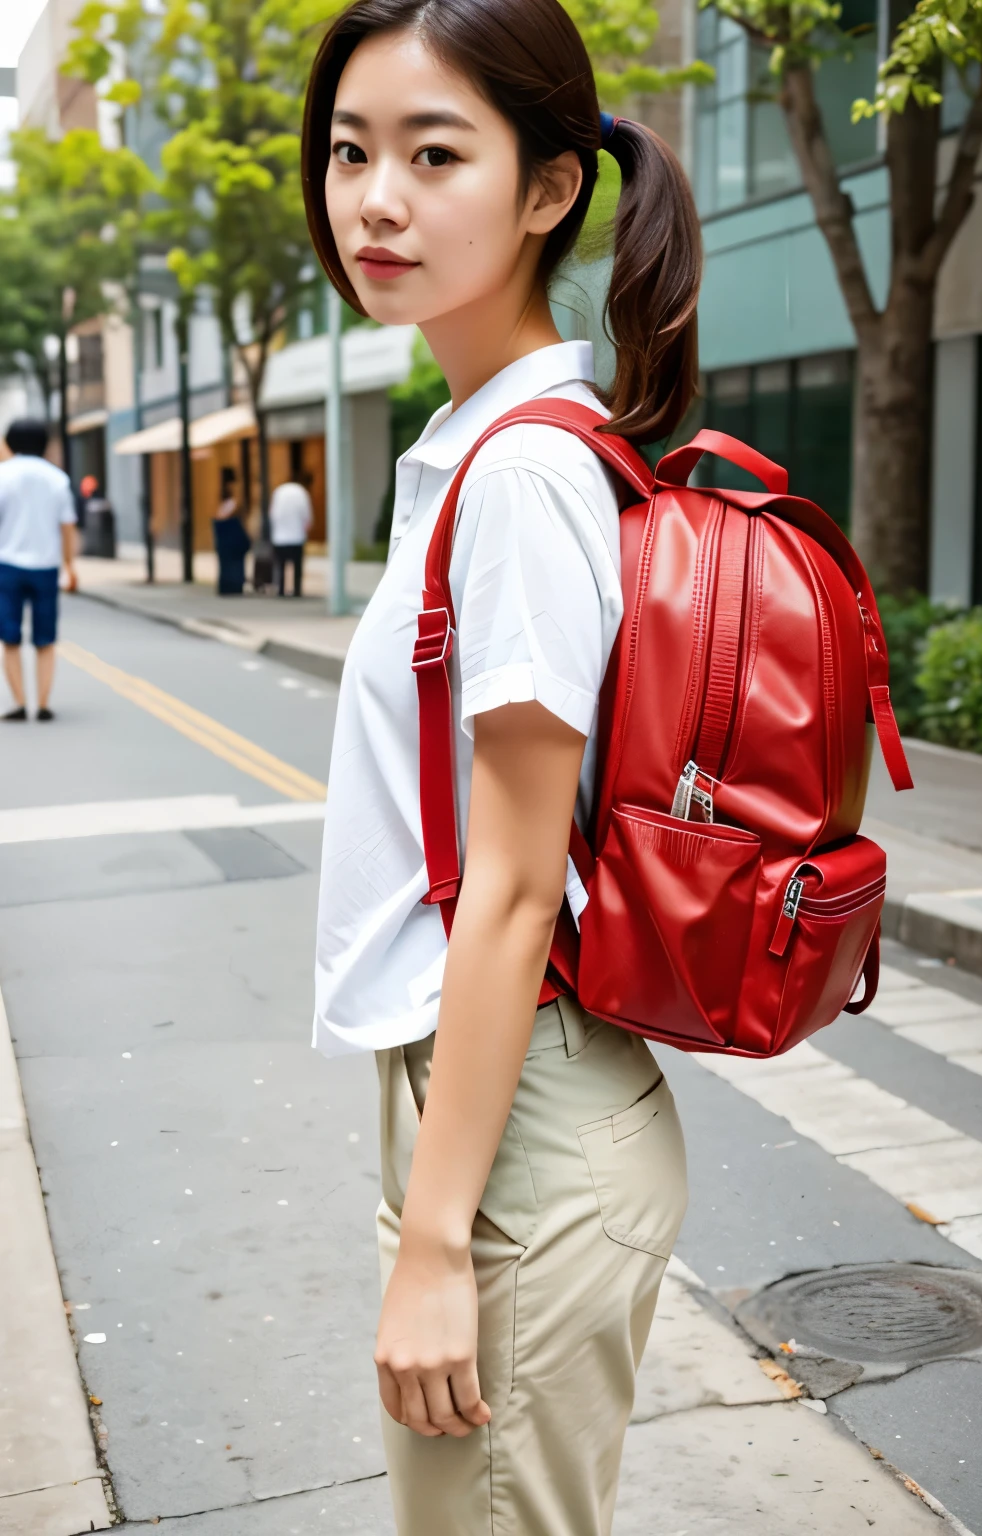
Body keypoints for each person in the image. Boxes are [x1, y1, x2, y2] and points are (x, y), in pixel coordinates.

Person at [303, 2, 700, 1531]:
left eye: (432, 152)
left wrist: (437, 1243)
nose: (375, 198)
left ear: (548, 190)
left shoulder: (525, 471)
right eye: (350, 151)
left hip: (521, 1135)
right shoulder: (485, 441)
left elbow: (521, 881)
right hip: (507, 1111)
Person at [0, 418, 78, 722]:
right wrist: (70, 566)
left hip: (7, 566)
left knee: (10, 638)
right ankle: (43, 702)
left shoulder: (3, 475)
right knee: (45, 638)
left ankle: (19, 702)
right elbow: (67, 527)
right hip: (46, 566)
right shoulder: (57, 479)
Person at [268, 471, 313, 596]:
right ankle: (297, 590)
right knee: (297, 566)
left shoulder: (279, 491)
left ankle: (281, 589)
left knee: (281, 566)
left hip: (280, 537)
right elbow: (307, 515)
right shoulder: (302, 493)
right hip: (297, 536)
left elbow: (273, 514)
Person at [212, 466, 251, 595]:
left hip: (229, 538)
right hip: (230, 536)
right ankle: (231, 586)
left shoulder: (229, 501)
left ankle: (230, 586)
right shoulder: (231, 502)